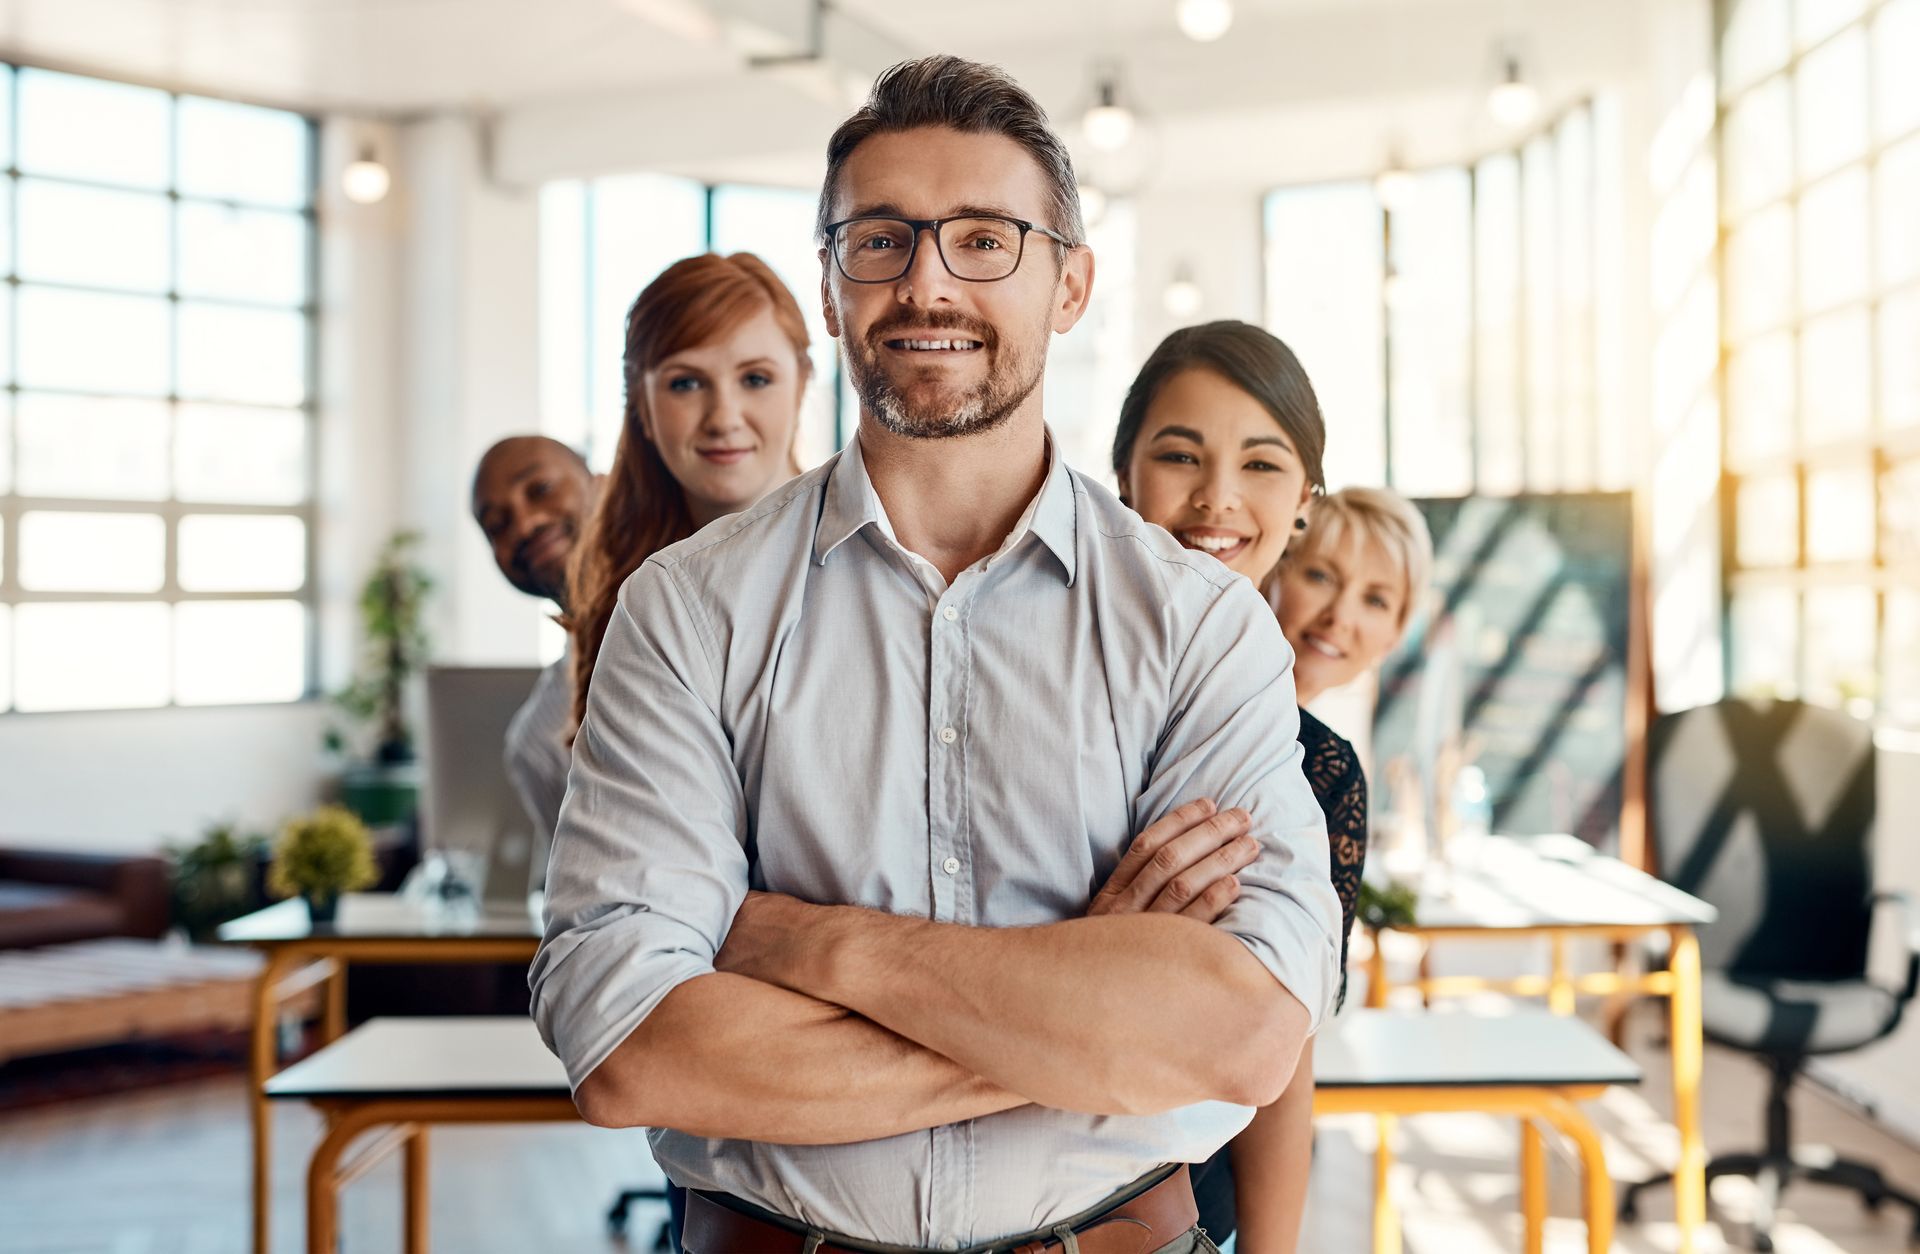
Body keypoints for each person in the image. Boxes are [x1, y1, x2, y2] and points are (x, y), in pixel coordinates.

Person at [530, 55, 1342, 1254]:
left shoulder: (1201, 624)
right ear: (829, 285)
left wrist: (812, 945)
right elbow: (631, 1051)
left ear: (1070, 285)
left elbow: (1245, 1035)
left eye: (984, 239)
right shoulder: (687, 610)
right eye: (880, 240)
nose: (926, 282)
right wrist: (1085, 1013)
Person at [1113, 324, 1432, 1252]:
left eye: (1260, 464)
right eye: (1180, 454)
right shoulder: (1067, 679)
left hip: (1188, 1204)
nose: (1218, 496)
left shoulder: (1318, 768)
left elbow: (1284, 1045)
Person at [565, 250, 811, 736]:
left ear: (802, 384)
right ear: (640, 402)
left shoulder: (875, 566)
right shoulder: (614, 595)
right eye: (686, 383)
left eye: (755, 379)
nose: (723, 418)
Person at [469, 434, 598, 882]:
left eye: (540, 489)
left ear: (600, 482)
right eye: (497, 525)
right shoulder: (535, 743)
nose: (523, 526)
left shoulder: (688, 601)